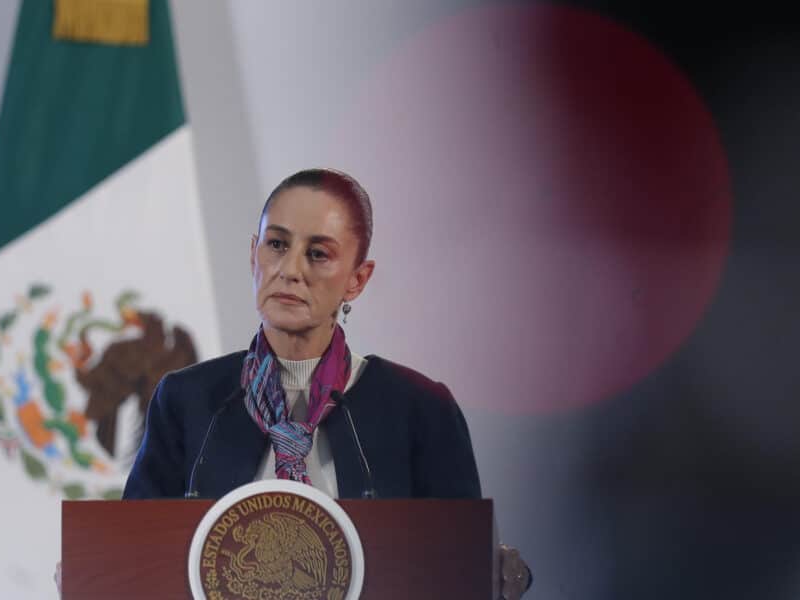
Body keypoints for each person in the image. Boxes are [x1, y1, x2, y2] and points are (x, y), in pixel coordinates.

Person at [111, 168, 531, 596]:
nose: (290, 270)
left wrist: (497, 576)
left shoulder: (420, 408)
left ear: (357, 279)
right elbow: (132, 560)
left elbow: (461, 573)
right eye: (277, 244)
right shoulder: (186, 399)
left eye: (318, 254)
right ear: (253, 253)